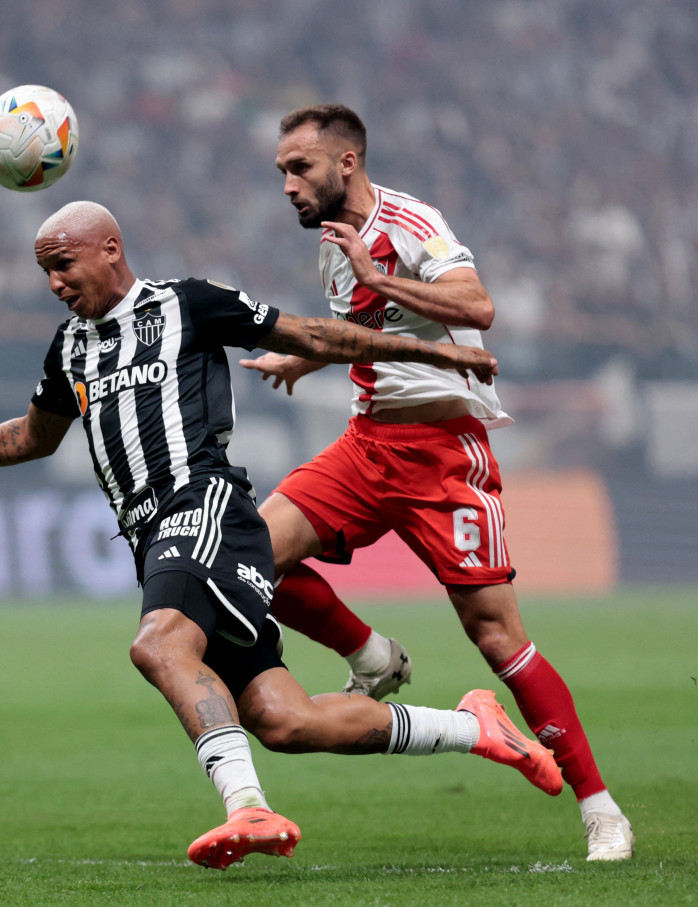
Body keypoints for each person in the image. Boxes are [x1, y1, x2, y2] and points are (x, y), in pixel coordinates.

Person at [0, 201, 560, 870]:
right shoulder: (70, 348)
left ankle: (249, 808)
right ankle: (473, 725)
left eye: (65, 264)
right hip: (152, 535)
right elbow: (32, 438)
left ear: (110, 249)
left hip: (205, 504)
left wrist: (435, 355)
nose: (55, 283)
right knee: (284, 721)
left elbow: (311, 334)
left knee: (158, 642)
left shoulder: (187, 302)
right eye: (46, 271)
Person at [239, 105, 634, 862]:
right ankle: (372, 657)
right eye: (281, 172)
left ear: (346, 162)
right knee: (247, 558)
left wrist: (380, 274)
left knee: (496, 636)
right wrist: (303, 358)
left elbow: (476, 305)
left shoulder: (412, 224)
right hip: (366, 446)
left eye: (301, 168)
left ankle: (601, 807)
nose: (288, 184)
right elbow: (364, 328)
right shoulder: (333, 247)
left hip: (444, 456)